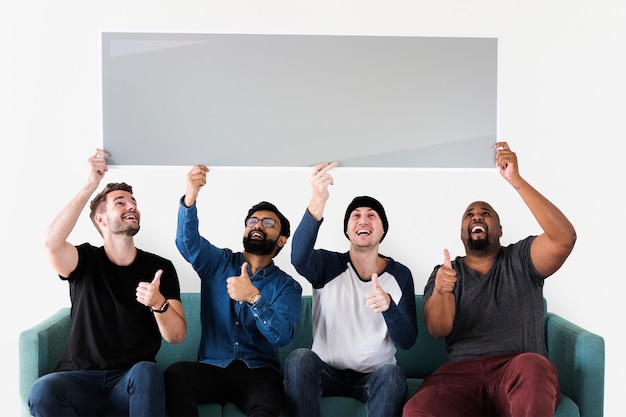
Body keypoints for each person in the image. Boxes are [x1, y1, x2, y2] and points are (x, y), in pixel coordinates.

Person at [403, 142, 577, 417]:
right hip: (460, 374)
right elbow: (438, 328)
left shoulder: (522, 258)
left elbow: (564, 238)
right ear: (463, 231)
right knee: (419, 408)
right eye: (469, 214)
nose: (477, 216)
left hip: (516, 368)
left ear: (499, 228)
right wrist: (441, 290)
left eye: (485, 213)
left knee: (534, 367)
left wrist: (515, 180)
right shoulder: (446, 272)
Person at [28, 149, 187, 417]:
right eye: (120, 203)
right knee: (43, 390)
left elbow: (178, 336)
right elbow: (50, 244)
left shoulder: (160, 268)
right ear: (101, 219)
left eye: (133, 202)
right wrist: (92, 184)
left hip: (129, 384)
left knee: (147, 370)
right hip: (79, 379)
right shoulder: (84, 260)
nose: (132, 206)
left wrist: (158, 304)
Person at [165, 164, 303, 417]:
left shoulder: (288, 286)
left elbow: (281, 337)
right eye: (252, 221)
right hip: (212, 367)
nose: (257, 225)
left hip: (259, 372)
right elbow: (187, 243)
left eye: (268, 222)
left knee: (266, 405)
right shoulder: (217, 263)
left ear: (282, 239)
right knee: (176, 374)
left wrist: (254, 297)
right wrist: (190, 197)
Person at [283, 162, 418, 417]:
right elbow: (299, 258)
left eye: (371, 216)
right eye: (356, 215)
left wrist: (389, 307)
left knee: (393, 374)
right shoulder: (328, 265)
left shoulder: (400, 275)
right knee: (299, 358)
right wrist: (318, 199)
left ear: (382, 229)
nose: (363, 220)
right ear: (347, 229)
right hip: (326, 371)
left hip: (374, 376)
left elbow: (408, 340)